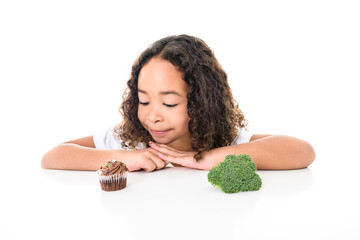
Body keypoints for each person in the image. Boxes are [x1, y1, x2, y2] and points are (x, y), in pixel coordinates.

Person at [41, 34, 315, 172]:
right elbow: (53, 156)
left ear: (202, 102)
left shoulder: (225, 140)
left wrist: (205, 159)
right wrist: (125, 158)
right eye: (144, 100)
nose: (152, 116)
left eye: (169, 104)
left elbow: (301, 151)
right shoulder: (130, 140)